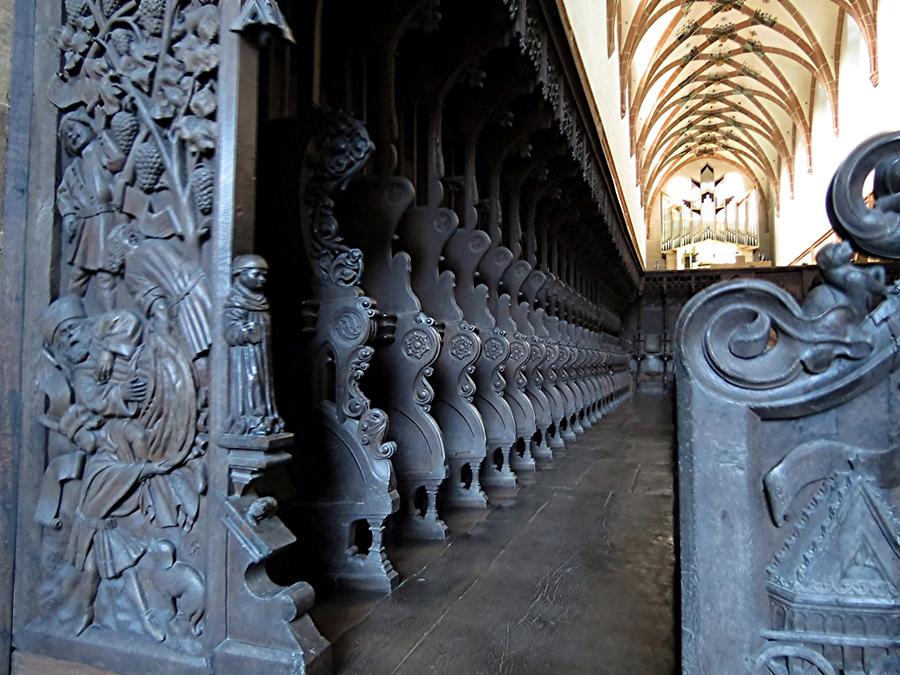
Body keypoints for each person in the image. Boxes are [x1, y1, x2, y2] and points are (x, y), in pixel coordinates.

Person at [56, 111, 124, 310]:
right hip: (87, 226)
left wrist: (101, 131)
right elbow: (64, 194)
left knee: (105, 275)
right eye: (67, 136)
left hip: (105, 221)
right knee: (78, 274)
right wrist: (68, 215)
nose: (71, 136)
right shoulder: (73, 169)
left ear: (87, 125)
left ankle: (109, 317)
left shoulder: (100, 151)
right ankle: (68, 314)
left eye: (73, 128)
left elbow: (118, 160)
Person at [224, 254, 285, 435]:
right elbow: (230, 331)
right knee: (252, 381)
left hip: (261, 353)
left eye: (264, 275)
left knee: (263, 383)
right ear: (239, 275)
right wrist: (246, 332)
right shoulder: (235, 301)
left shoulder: (260, 301)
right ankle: (251, 420)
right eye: (256, 274)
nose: (262, 279)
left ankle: (266, 418)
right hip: (245, 355)